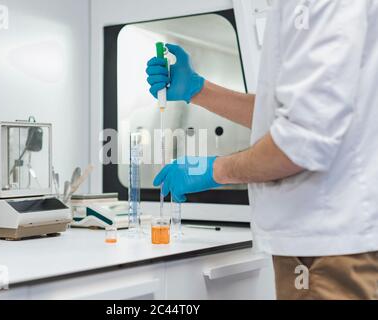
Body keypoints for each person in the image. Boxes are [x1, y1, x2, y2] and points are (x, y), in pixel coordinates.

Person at [146, 0, 378, 300]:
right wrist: (198, 90)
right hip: (327, 244)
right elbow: (293, 114)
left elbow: (303, 140)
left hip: (328, 247)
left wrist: (215, 170)